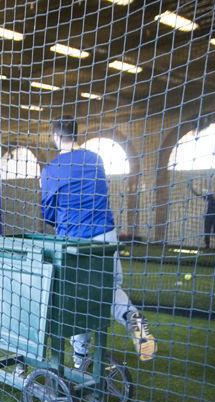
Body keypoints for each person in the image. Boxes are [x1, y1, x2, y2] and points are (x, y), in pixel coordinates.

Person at [40, 116, 156, 365]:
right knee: (109, 289)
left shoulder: (52, 169)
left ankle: (80, 359)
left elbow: (47, 212)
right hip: (105, 236)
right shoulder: (95, 159)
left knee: (78, 297)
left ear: (56, 137)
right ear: (76, 133)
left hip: (74, 242)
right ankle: (132, 317)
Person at [188, 182, 215, 251]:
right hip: (208, 217)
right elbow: (198, 194)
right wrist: (192, 188)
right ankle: (207, 246)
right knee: (206, 232)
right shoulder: (210, 196)